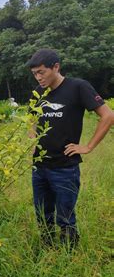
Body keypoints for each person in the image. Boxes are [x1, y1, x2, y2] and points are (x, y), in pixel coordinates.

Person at [28, 49, 113, 248]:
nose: (38, 77)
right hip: (39, 167)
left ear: (56, 67)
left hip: (64, 167)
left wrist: (88, 146)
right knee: (42, 214)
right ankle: (47, 249)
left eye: (42, 72)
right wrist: (32, 140)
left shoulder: (78, 87)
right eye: (34, 74)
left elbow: (108, 116)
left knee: (65, 217)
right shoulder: (39, 93)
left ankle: (68, 255)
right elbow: (30, 119)